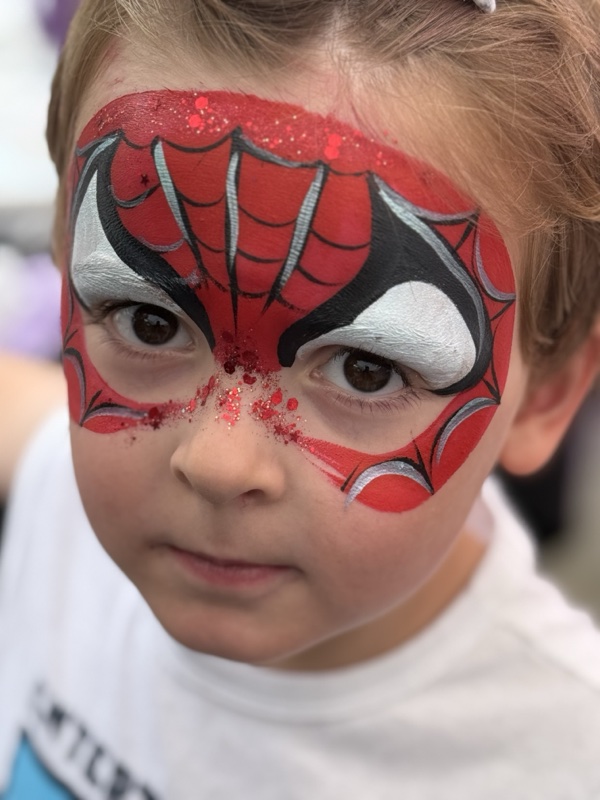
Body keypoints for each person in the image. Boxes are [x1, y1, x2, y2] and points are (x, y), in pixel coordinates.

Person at [1, 0, 600, 796]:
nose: (217, 460)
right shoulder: (56, 492)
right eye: (149, 322)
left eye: (365, 370)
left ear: (545, 398)